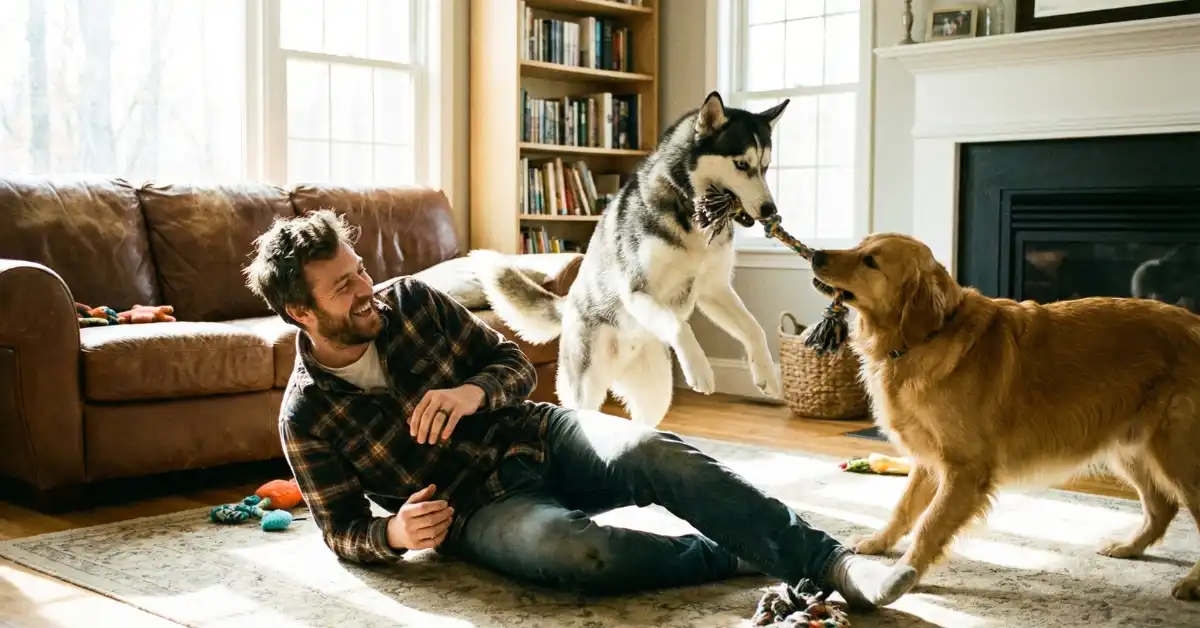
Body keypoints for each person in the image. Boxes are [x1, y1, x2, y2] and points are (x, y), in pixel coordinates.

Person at [243, 209, 916, 609]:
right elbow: (340, 529)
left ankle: (828, 562)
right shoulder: (306, 418)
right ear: (302, 312)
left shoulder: (412, 303)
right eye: (343, 287)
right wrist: (394, 536)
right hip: (479, 509)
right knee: (577, 555)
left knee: (655, 451)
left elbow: (512, 365)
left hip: (539, 435)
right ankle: (731, 553)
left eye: (360, 270)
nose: (367, 290)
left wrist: (472, 392)